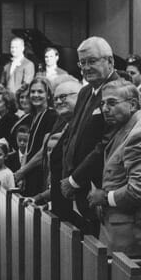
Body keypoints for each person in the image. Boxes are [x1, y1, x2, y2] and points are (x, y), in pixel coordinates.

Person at [60, 37, 123, 234]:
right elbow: (73, 134)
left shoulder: (119, 91)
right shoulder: (86, 91)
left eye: (92, 61)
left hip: (100, 188)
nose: (86, 67)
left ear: (110, 61)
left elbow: (106, 144)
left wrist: (74, 180)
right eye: (82, 62)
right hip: (79, 187)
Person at [83, 81, 141, 256]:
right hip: (117, 232)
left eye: (112, 103)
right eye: (103, 103)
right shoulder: (124, 128)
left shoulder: (140, 134)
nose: (105, 109)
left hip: (129, 239)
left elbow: (139, 189)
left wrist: (105, 197)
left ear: (133, 104)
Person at [30, 78, 83, 219]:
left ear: (81, 97)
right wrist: (42, 197)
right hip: (60, 207)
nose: (58, 102)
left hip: (76, 211)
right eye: (56, 98)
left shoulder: (83, 129)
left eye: (63, 97)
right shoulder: (66, 126)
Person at [11, 76, 57, 195]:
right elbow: (28, 148)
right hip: (29, 172)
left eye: (40, 91)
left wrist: (22, 171)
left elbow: (43, 151)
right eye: (32, 91)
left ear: (48, 95)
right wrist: (23, 171)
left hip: (40, 173)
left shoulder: (51, 116)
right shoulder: (33, 116)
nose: (36, 95)